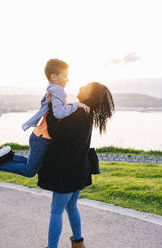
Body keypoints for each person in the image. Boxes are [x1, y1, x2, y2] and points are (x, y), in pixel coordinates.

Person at [0, 59, 90, 177]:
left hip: (39, 136)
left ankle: (7, 156)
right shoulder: (58, 90)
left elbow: (50, 109)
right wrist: (76, 105)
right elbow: (59, 113)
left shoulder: (51, 89)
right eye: (65, 76)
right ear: (54, 76)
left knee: (33, 166)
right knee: (30, 171)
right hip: (43, 138)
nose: (67, 79)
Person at [38, 82, 114, 248]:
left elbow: (56, 133)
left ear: (90, 95)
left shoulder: (79, 112)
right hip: (79, 169)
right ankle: (78, 243)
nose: (81, 88)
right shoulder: (88, 112)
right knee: (71, 206)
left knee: (56, 210)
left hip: (67, 171)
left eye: (85, 88)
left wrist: (50, 107)